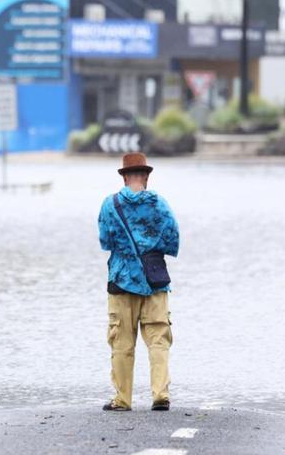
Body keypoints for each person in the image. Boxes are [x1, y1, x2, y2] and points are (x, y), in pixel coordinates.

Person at [98, 152, 179, 412]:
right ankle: (160, 395)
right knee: (158, 339)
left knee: (121, 341)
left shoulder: (110, 205)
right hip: (155, 278)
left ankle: (123, 399)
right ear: (146, 177)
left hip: (122, 280)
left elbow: (105, 241)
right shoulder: (160, 204)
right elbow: (173, 239)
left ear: (124, 178)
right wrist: (151, 248)